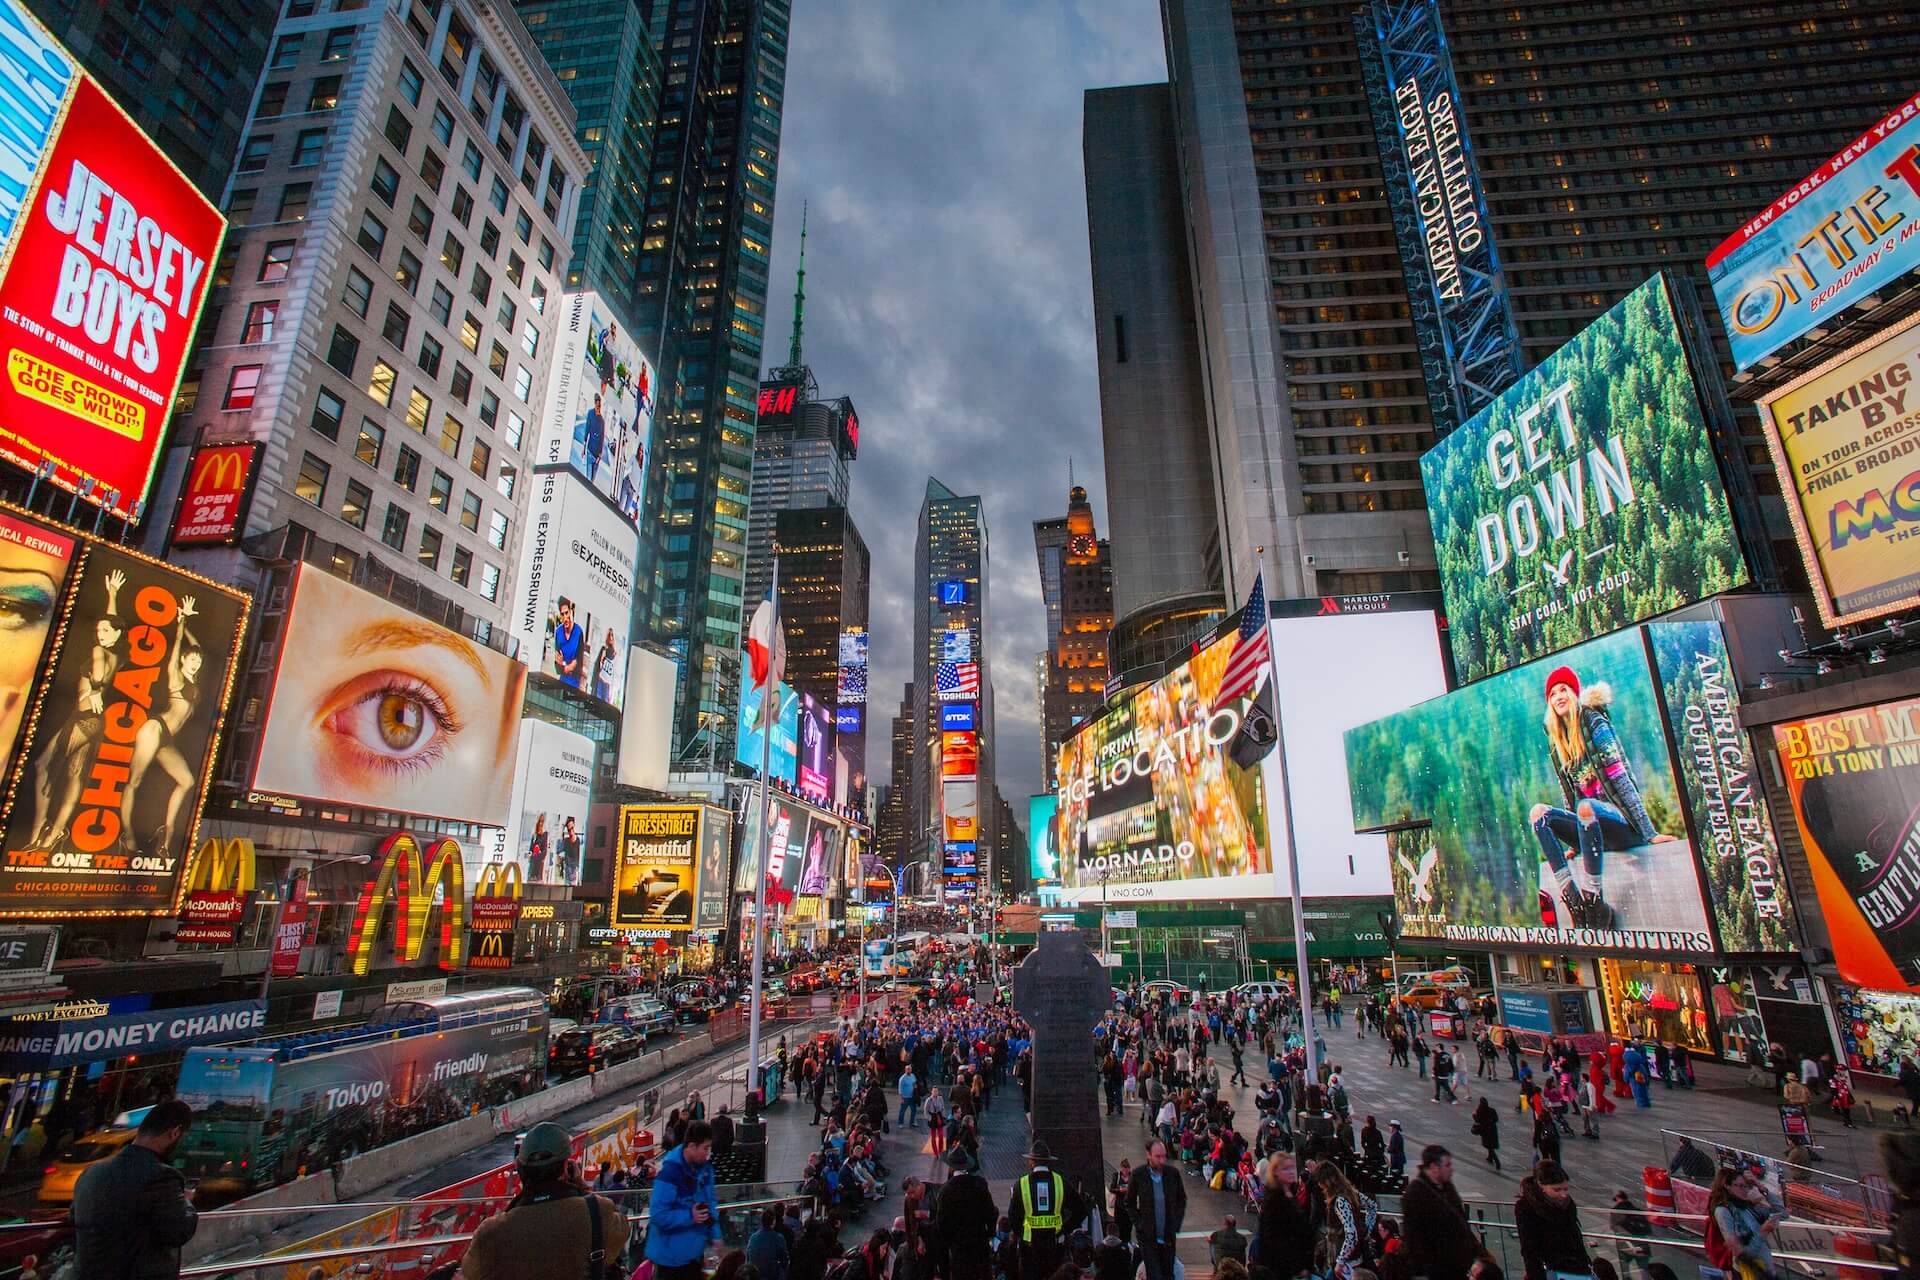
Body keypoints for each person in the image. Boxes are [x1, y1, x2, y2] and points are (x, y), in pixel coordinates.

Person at [1529, 664, 1678, 930]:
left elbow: (1621, 779)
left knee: (1587, 807)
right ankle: (1574, 900)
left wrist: (1648, 832)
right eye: (1553, 694)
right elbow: (1568, 793)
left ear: (1574, 694)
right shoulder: (1557, 742)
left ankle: (1594, 899)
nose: (1559, 697)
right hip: (1588, 826)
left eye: (1564, 690)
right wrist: (1574, 838)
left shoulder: (1594, 722)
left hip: (1618, 823)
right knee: (1539, 814)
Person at [462, 1122, 628, 1280]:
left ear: (520, 1170)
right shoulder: (597, 1212)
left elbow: (470, 1271)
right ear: (565, 1169)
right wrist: (580, 1185)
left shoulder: (491, 1232)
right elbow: (621, 1234)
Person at [72, 1098, 198, 1280]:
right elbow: (179, 1231)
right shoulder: (162, 1178)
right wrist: (187, 1200)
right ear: (175, 1133)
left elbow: (75, 1217)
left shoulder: (91, 1173)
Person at [1400, 1145, 1489, 1280]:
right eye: (1447, 1165)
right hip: (1438, 1270)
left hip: (1458, 1267)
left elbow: (1460, 1222)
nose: (1451, 1169)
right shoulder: (1415, 1194)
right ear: (1434, 1167)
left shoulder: (1447, 1187)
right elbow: (1414, 1238)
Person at [647, 1119, 722, 1280]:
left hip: (693, 1255)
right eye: (705, 1148)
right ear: (692, 1146)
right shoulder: (669, 1175)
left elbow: (710, 1202)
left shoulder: (705, 1169)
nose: (708, 1154)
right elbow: (658, 1215)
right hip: (671, 1261)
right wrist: (690, 1217)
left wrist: (716, 1234)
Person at [1121, 1139, 1186, 1280]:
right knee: (1154, 1275)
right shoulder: (1138, 1175)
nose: (1162, 1160)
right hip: (1148, 1238)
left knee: (1168, 1274)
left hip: (1168, 1237)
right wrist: (1139, 1224)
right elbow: (1129, 1202)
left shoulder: (1172, 1174)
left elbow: (1182, 1199)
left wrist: (1175, 1224)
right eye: (1158, 1156)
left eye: (1164, 1156)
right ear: (1148, 1155)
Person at [1515, 1160, 1590, 1280]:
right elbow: (1529, 1250)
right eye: (1557, 1190)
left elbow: (1576, 1238)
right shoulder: (1526, 1207)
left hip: (1579, 1269)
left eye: (1566, 1189)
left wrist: (1587, 1264)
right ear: (1541, 1186)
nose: (1563, 1194)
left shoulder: (1568, 1204)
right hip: (1552, 1270)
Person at [1705, 1163, 1782, 1280]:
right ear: (1727, 1186)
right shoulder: (1724, 1212)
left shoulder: (1747, 1206)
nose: (1745, 1190)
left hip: (1765, 1269)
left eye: (1747, 1186)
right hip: (1750, 1272)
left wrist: (1761, 1186)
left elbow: (1781, 1212)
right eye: (1741, 1186)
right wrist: (1762, 1232)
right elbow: (1742, 1253)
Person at [937, 1147, 999, 1280]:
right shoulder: (980, 1184)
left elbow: (941, 1223)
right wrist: (990, 1233)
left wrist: (950, 1242)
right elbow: (991, 1213)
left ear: (951, 1167)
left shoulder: (945, 1191)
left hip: (959, 1248)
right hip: (980, 1244)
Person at [1310, 1162, 1376, 1280]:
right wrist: (1367, 1229)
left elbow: (1351, 1234)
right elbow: (1372, 1206)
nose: (1319, 1185)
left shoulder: (1339, 1201)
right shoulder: (1351, 1193)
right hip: (1354, 1257)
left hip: (1346, 1261)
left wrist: (1341, 1260)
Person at [1255, 1151, 1314, 1279]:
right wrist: (1296, 1265)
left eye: (1292, 1167)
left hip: (1292, 1262)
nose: (1291, 1171)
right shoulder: (1274, 1198)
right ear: (1275, 1171)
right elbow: (1273, 1237)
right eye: (1286, 1169)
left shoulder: (1290, 1192)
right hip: (1279, 1267)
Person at [748, 1210, 790, 1280]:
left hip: (755, 1275)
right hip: (772, 1275)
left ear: (761, 1221)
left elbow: (748, 1258)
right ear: (774, 1222)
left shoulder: (753, 1237)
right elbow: (784, 1261)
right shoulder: (779, 1238)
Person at [1472, 1096, 1502, 1171]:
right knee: (1491, 1145)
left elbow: (1477, 1120)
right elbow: (1496, 1119)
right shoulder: (1492, 1110)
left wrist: (1474, 1115)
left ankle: (1497, 1162)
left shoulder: (1480, 1111)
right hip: (1492, 1130)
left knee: (1490, 1147)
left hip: (1485, 1131)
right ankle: (1490, 1158)